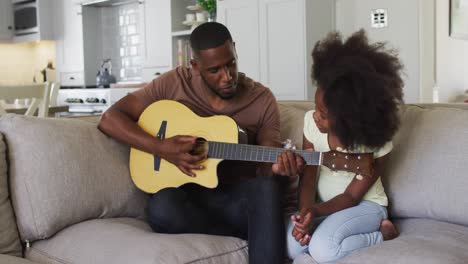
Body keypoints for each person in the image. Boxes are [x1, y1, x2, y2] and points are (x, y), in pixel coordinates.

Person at [98, 22, 303, 264]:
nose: (227, 77)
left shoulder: (261, 99)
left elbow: (268, 160)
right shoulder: (173, 83)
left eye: (231, 64)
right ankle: (251, 232)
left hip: (235, 200)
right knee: (162, 206)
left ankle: (255, 238)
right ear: (195, 66)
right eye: (215, 70)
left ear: (235, 51)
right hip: (190, 198)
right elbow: (110, 119)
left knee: (267, 188)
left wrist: (278, 169)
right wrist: (162, 148)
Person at [286, 29, 403, 263]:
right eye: (315, 108)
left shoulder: (374, 143)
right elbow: (308, 180)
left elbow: (351, 197)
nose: (315, 116)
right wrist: (305, 216)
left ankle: (382, 235)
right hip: (324, 207)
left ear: (348, 118)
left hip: (366, 206)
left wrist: (315, 213)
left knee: (322, 249)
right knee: (291, 246)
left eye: (324, 114)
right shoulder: (311, 124)